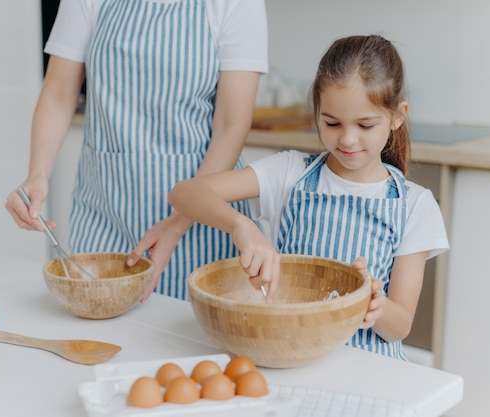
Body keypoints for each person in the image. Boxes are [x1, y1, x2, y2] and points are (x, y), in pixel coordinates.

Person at [168, 34, 449, 359]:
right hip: (290, 357)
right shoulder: (289, 172)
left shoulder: (414, 205)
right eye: (331, 122)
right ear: (316, 110)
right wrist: (240, 225)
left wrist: (377, 306)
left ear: (398, 116)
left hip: (368, 371)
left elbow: (400, 326)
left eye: (365, 125)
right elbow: (184, 192)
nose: (347, 138)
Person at [5, 0, 268, 301]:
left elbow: (231, 125)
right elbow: (58, 94)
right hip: (104, 211)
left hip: (201, 215)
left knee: (194, 335)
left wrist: (180, 219)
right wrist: (37, 175)